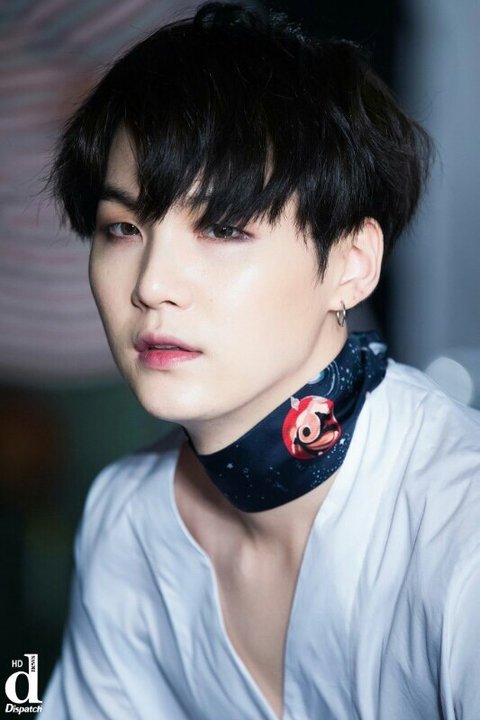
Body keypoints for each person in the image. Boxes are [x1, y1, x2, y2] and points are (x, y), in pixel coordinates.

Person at [42, 3, 480, 718]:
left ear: (352, 263)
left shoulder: (461, 534)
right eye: (122, 228)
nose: (152, 284)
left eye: (221, 227)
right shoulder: (127, 516)